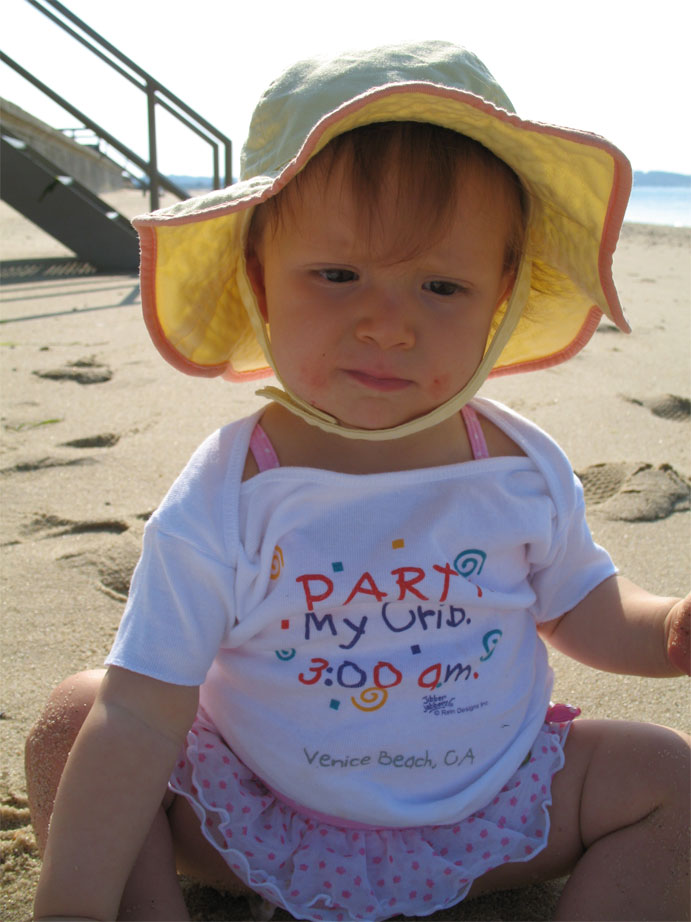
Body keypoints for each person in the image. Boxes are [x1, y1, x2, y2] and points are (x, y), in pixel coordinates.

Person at [27, 41, 689, 922]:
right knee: (82, 717)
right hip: (258, 818)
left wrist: (668, 629)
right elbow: (147, 709)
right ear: (260, 278)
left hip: (490, 816)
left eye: (440, 286)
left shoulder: (517, 465)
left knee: (668, 775)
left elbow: (583, 608)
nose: (385, 326)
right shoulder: (231, 487)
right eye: (337, 276)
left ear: (499, 297)